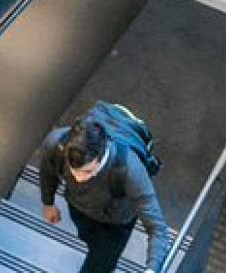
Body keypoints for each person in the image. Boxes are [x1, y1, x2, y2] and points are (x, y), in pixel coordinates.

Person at [38, 110, 173, 273]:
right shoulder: (56, 144)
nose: (79, 178)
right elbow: (48, 171)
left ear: (102, 156)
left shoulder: (129, 170)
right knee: (88, 237)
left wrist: (152, 269)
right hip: (78, 207)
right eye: (74, 171)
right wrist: (48, 203)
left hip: (115, 225)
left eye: (87, 172)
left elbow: (157, 228)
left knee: (98, 267)